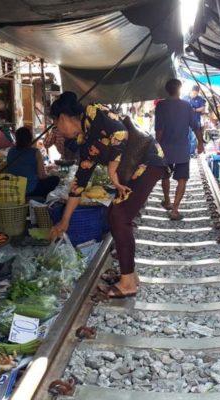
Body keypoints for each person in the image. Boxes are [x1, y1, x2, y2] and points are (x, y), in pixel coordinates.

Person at [48, 92, 168, 298]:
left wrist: (112, 169)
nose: (58, 130)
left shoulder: (93, 111)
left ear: (62, 117)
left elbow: (120, 133)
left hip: (147, 163)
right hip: (139, 167)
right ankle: (130, 276)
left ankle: (128, 282)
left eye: (56, 125)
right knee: (116, 215)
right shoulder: (87, 142)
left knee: (119, 217)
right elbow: (79, 183)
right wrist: (64, 221)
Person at [155, 79, 205, 220]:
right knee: (182, 178)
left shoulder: (161, 106)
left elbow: (159, 129)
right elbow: (195, 127)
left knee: (165, 176)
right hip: (182, 148)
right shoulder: (187, 106)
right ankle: (175, 210)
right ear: (179, 90)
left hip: (165, 148)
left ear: (167, 90)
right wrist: (200, 143)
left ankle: (167, 201)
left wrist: (156, 146)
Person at [6, 127, 61, 198]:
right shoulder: (35, 152)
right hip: (31, 190)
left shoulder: (11, 151)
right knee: (55, 179)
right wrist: (52, 174)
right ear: (30, 139)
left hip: (13, 189)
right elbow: (41, 176)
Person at [183, 86, 206, 157]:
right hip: (185, 121)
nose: (195, 94)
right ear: (191, 91)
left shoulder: (200, 99)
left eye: (196, 93)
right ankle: (185, 152)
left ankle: (191, 153)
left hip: (196, 121)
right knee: (186, 136)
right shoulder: (185, 98)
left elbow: (203, 108)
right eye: (194, 93)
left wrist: (195, 110)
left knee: (193, 137)